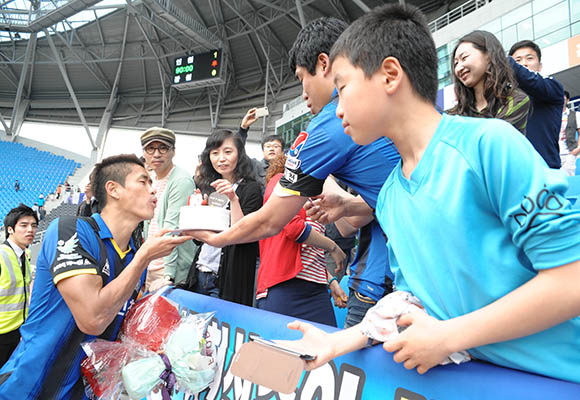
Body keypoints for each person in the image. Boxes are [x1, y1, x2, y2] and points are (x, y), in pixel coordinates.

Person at [282, 4, 580, 384]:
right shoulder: (389, 195)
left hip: (560, 381)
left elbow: (572, 277)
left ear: (390, 75)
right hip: (477, 384)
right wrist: (337, 342)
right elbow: (411, 299)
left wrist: (450, 337)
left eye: (341, 87)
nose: (337, 110)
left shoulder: (489, 146)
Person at [186, 17, 400, 328]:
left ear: (324, 64)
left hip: (386, 279)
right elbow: (398, 191)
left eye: (302, 78)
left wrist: (219, 240)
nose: (302, 92)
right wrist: (350, 205)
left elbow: (274, 220)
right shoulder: (391, 106)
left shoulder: (330, 125)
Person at [0, 154, 192, 398]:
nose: (153, 191)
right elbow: (92, 318)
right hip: (29, 388)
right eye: (143, 182)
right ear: (113, 189)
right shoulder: (70, 230)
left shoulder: (135, 255)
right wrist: (144, 257)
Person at [256, 154, 347, 326]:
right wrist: (333, 247)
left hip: (316, 291)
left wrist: (330, 280)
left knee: (326, 349)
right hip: (283, 287)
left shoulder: (314, 200)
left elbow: (310, 252)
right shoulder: (280, 181)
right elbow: (293, 227)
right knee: (277, 350)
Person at [195, 129, 263, 306]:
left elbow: (243, 234)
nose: (221, 158)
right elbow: (198, 239)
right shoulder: (208, 187)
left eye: (227, 152)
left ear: (239, 154)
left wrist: (233, 199)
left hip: (229, 277)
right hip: (201, 270)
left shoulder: (251, 189)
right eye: (215, 153)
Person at [141, 127, 197, 290]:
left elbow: (171, 229)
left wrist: (169, 275)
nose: (156, 154)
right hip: (152, 263)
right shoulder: (152, 180)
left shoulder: (180, 180)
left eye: (163, 148)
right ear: (144, 153)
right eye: (150, 148)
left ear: (173, 151)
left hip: (167, 269)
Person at [450, 30, 530, 134]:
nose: (458, 68)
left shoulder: (516, 100)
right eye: (456, 63)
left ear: (489, 56)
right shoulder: (454, 114)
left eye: (464, 58)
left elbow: (493, 140)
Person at [509, 39, 564, 168]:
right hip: (515, 170)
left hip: (544, 168)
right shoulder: (506, 98)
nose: (524, 64)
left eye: (529, 58)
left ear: (540, 66)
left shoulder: (551, 87)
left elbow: (531, 81)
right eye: (518, 60)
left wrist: (503, 60)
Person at [0, 205, 38, 367]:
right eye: (23, 225)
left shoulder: (24, 256)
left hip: (17, 332)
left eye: (34, 225)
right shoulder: (1, 255)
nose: (30, 230)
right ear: (10, 229)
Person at [237, 108, 285, 190]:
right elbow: (238, 152)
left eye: (276, 146)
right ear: (263, 151)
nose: (271, 149)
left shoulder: (289, 168)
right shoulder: (254, 165)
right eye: (268, 146)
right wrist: (243, 129)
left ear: (282, 151)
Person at [560, 91, 580, 176]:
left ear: (568, 100)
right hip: (555, 153)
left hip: (569, 152)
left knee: (569, 179)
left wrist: (577, 149)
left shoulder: (575, 115)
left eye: (564, 99)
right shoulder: (553, 115)